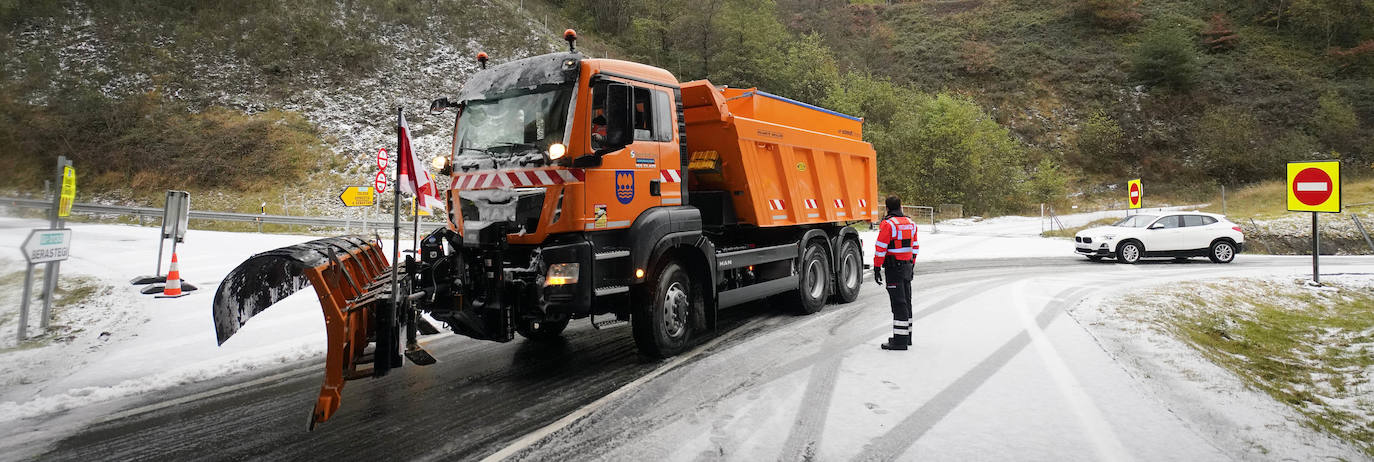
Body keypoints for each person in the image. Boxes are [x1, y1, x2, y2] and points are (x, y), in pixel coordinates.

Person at [873, 194, 918, 350]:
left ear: (886, 208)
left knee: (898, 304)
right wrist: (911, 264)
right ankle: (907, 337)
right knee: (907, 301)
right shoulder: (911, 224)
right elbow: (915, 247)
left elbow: (880, 248)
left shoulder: (888, 225)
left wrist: (877, 267)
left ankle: (899, 341)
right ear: (901, 206)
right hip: (907, 266)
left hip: (894, 268)